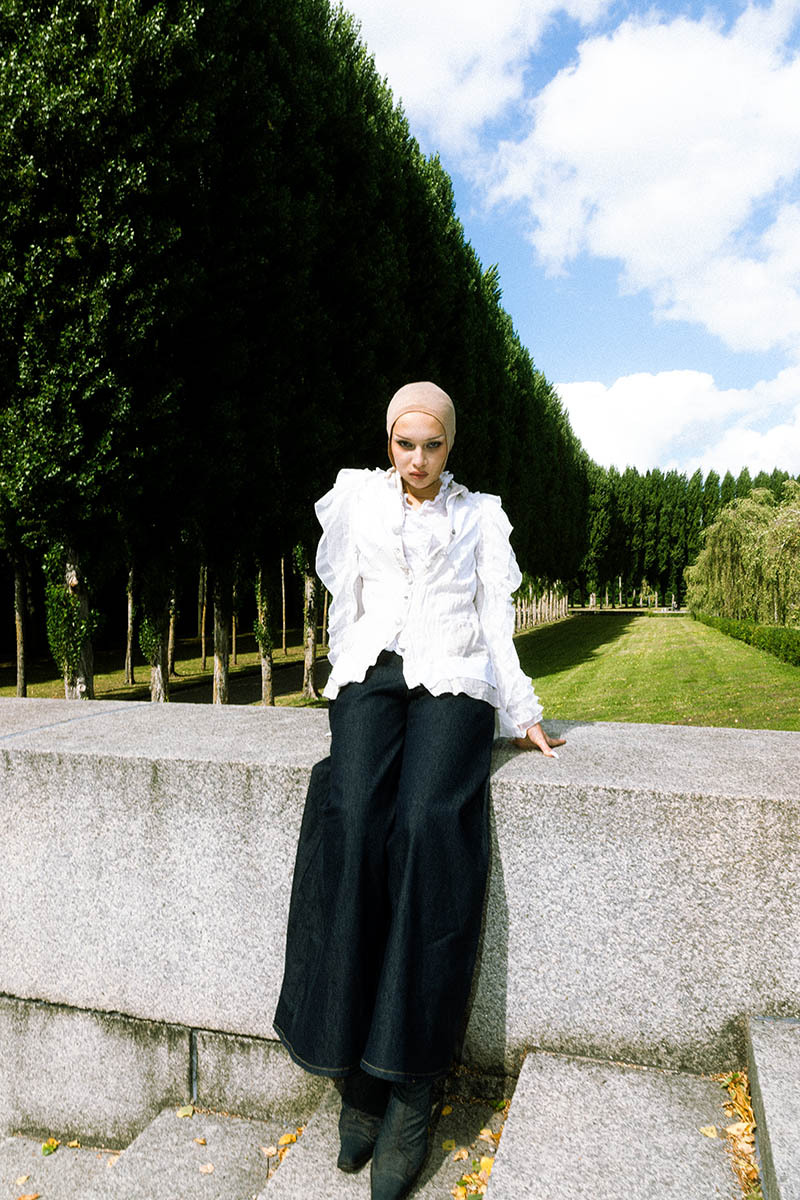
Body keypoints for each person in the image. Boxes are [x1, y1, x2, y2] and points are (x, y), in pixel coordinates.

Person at [274, 381, 564, 1200]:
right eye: (407, 444)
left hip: (454, 678)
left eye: (433, 445)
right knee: (355, 813)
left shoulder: (481, 516)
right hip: (376, 670)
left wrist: (524, 712)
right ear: (390, 441)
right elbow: (347, 605)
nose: (418, 461)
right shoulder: (357, 498)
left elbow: (495, 623)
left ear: (451, 445)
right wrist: (347, 688)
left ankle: (408, 1084)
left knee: (432, 821)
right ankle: (352, 1074)